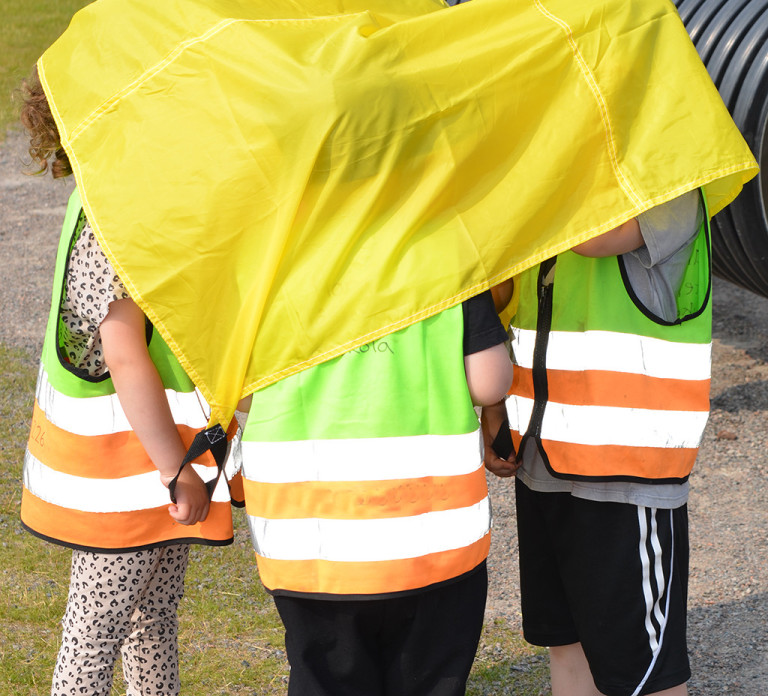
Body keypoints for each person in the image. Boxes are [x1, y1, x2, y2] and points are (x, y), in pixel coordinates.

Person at [18, 68, 240, 696]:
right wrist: (176, 470)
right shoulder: (116, 220)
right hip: (128, 472)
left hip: (149, 464)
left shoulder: (118, 200)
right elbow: (125, 355)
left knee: (151, 620)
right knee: (96, 632)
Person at [485, 190, 709, 696]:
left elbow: (592, 237)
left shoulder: (669, 185)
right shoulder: (554, 186)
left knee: (644, 671)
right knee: (566, 641)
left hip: (623, 469)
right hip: (544, 457)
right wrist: (496, 404)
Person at [238, 289, 514, 696]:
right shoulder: (451, 265)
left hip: (309, 545)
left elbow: (241, 393)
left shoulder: (265, 273)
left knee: (325, 679)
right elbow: (488, 382)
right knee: (429, 677)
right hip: (432, 542)